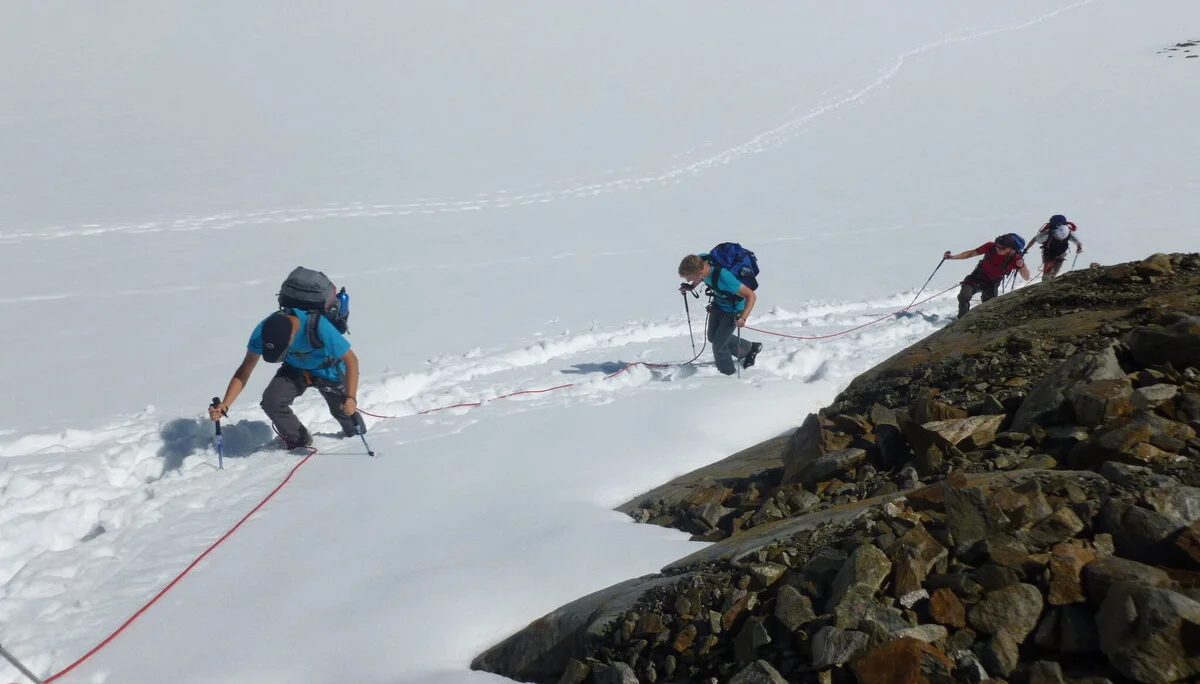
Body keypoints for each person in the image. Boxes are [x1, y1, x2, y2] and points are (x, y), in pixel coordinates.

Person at [208, 308, 364, 448]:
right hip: (295, 369)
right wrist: (225, 405)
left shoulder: (318, 325)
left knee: (343, 410)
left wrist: (351, 398)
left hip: (328, 369)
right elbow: (246, 368)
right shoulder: (263, 331)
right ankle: (300, 442)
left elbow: (351, 360)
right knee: (272, 401)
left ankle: (358, 438)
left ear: (292, 337)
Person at [678, 253, 763, 375]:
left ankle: (727, 376)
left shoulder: (724, 277)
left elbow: (751, 296)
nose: (688, 280)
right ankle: (750, 348)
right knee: (713, 337)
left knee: (719, 345)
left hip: (734, 309)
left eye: (689, 278)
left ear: (699, 273)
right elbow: (700, 277)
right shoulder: (701, 260)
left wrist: (743, 318)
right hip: (719, 303)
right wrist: (691, 286)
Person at [943, 233, 1032, 319]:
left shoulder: (1016, 258)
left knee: (989, 306)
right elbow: (971, 253)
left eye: (1002, 248)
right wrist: (952, 257)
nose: (998, 249)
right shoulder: (990, 246)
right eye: (998, 246)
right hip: (977, 276)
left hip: (992, 283)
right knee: (963, 296)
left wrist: (1022, 266)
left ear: (1011, 248)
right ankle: (962, 320)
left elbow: (1026, 277)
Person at [1030, 214, 1083, 280]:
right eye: (1058, 237)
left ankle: (1049, 282)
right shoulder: (1048, 233)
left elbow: (1078, 242)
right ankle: (1045, 285)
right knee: (1048, 273)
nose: (1060, 239)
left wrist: (1079, 246)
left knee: (1053, 273)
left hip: (1060, 255)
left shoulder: (1068, 233)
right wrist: (1025, 249)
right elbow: (1035, 239)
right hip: (1049, 254)